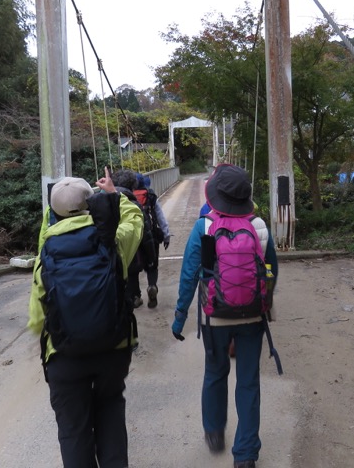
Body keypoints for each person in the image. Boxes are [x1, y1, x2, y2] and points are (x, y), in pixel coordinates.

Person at [27, 173, 144, 468]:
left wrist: (52, 212)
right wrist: (114, 194)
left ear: (52, 214)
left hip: (65, 356)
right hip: (112, 347)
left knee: (73, 430)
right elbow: (135, 220)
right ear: (91, 205)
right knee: (110, 411)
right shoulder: (112, 242)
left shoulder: (47, 254)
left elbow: (36, 319)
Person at [172, 163, 278, 468]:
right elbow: (271, 270)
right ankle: (245, 455)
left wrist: (179, 318)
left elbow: (190, 274)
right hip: (251, 317)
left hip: (214, 317)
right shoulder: (258, 225)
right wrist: (264, 304)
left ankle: (214, 432)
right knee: (248, 381)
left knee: (215, 373)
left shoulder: (204, 226)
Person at [110, 169, 157, 309]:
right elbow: (146, 233)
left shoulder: (104, 201)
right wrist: (151, 257)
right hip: (134, 249)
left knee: (126, 274)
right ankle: (143, 291)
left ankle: (131, 296)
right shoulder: (134, 204)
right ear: (133, 186)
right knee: (133, 268)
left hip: (113, 251)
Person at [137, 174, 172, 308]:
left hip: (134, 236)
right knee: (152, 264)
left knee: (133, 268)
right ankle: (152, 285)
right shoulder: (151, 196)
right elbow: (160, 217)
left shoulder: (125, 196)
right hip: (151, 236)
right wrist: (166, 235)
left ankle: (135, 295)